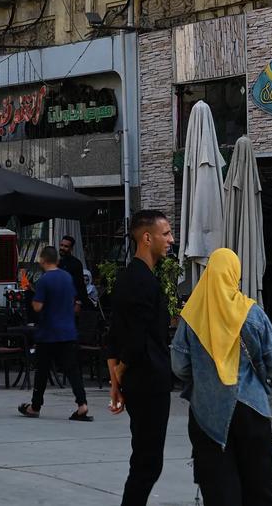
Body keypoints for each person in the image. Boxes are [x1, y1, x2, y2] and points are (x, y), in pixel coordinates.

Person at [171, 247, 272, 506]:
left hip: (206, 412)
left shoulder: (191, 316)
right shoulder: (252, 313)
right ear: (235, 274)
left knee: (219, 491)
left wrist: (203, 377)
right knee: (259, 488)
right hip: (251, 408)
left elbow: (179, 366)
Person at [107, 209, 174, 506]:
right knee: (148, 462)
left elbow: (114, 335)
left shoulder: (133, 277)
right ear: (147, 238)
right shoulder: (140, 280)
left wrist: (116, 377)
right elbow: (131, 337)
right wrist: (120, 371)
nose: (171, 240)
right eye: (166, 233)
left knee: (145, 460)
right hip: (148, 380)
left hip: (143, 378)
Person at [18, 245, 92, 422]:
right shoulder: (67, 277)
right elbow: (74, 303)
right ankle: (82, 405)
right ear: (57, 260)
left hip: (48, 332)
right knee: (73, 370)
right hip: (68, 331)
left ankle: (35, 406)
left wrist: (32, 297)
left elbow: (37, 306)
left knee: (42, 371)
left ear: (43, 260)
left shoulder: (44, 280)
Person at [58, 235, 91, 308]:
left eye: (66, 246)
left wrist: (78, 303)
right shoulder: (58, 263)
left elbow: (80, 284)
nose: (62, 248)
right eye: (61, 245)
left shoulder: (76, 263)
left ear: (71, 249)